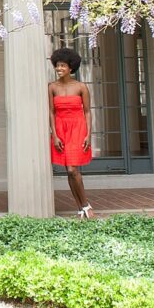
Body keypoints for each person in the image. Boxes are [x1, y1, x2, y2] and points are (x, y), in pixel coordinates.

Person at [48, 47, 95, 219]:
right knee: (69, 170)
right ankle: (81, 208)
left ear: (71, 67)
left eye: (62, 66)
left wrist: (89, 134)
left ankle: (86, 205)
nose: (59, 69)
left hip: (77, 127)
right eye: (57, 65)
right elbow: (51, 112)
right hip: (61, 128)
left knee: (72, 169)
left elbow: (88, 111)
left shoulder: (81, 87)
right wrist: (55, 135)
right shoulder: (52, 87)